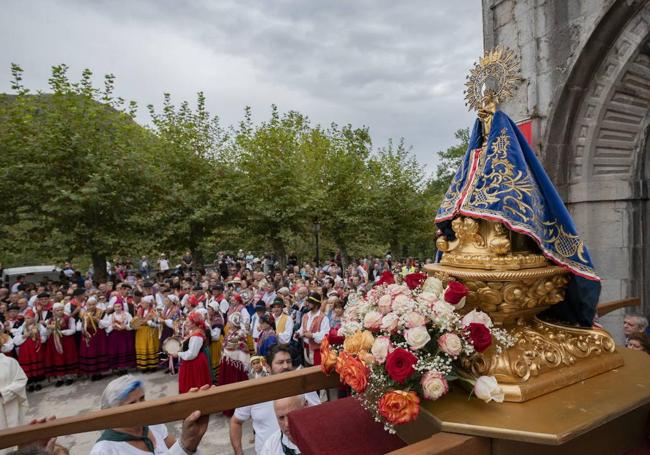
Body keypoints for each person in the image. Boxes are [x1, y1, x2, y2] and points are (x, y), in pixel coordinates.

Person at [229, 345, 320, 455]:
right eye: (280, 362)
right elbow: (235, 422)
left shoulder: (304, 388)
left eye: (288, 361)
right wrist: (239, 453)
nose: (286, 366)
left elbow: (319, 417)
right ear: (267, 366)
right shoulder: (254, 391)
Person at [89, 375, 209, 454]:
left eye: (142, 399)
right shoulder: (104, 450)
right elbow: (182, 448)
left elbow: (178, 447)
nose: (141, 406)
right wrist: (186, 445)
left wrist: (191, 440)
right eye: (132, 403)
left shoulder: (152, 425)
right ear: (113, 411)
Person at [175, 312, 212, 394]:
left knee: (194, 383)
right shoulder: (195, 331)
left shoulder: (196, 336)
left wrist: (178, 353)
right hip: (195, 361)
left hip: (194, 363)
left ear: (194, 323)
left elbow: (192, 354)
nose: (186, 323)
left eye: (188, 322)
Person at [11, 309, 46, 392]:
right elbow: (16, 339)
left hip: (35, 348)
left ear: (34, 318)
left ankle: (38, 383)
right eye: (26, 318)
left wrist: (38, 338)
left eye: (29, 318)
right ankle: (30, 384)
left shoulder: (38, 326)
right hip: (25, 349)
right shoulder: (21, 328)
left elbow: (44, 336)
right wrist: (24, 336)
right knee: (27, 365)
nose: (27, 320)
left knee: (36, 363)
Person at [0, 352, 28, 454]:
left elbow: (21, 380)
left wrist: (3, 393)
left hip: (11, 406)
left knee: (16, 439)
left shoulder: (10, 362)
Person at [44, 303, 77, 387]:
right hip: (54, 341)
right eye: (57, 310)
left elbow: (73, 330)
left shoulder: (69, 318)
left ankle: (69, 377)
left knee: (67, 356)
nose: (59, 312)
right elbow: (47, 333)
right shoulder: (49, 320)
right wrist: (49, 328)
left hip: (66, 340)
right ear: (54, 311)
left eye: (61, 309)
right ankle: (60, 378)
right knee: (57, 358)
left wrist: (61, 332)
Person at [77, 297, 108, 381]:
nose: (91, 306)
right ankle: (92, 372)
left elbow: (106, 324)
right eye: (89, 304)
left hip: (98, 334)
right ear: (86, 305)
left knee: (99, 351)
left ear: (96, 304)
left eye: (93, 304)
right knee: (90, 352)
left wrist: (98, 320)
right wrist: (84, 325)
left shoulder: (101, 312)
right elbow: (78, 326)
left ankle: (100, 372)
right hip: (87, 335)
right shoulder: (83, 313)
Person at [297, 292, 330, 366]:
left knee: (316, 373)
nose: (307, 304)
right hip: (306, 349)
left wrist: (312, 335)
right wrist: (298, 333)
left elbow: (325, 335)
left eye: (310, 302)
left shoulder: (324, 318)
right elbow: (302, 328)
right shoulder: (305, 316)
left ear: (316, 303)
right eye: (307, 302)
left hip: (317, 351)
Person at [103, 301, 135, 374]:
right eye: (116, 307)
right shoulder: (110, 316)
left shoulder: (127, 314)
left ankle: (124, 367)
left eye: (119, 306)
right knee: (115, 351)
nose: (117, 308)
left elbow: (132, 324)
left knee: (124, 350)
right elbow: (107, 326)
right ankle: (116, 368)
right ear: (113, 308)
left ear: (122, 307)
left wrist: (126, 326)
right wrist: (112, 327)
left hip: (124, 336)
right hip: (114, 337)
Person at [134, 296, 160, 372]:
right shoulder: (139, 310)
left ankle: (153, 366)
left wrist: (148, 322)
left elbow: (157, 324)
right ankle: (143, 366)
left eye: (143, 302)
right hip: (141, 332)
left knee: (151, 347)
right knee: (143, 348)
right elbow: (136, 320)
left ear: (148, 303)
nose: (141, 304)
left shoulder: (153, 311)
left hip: (150, 331)